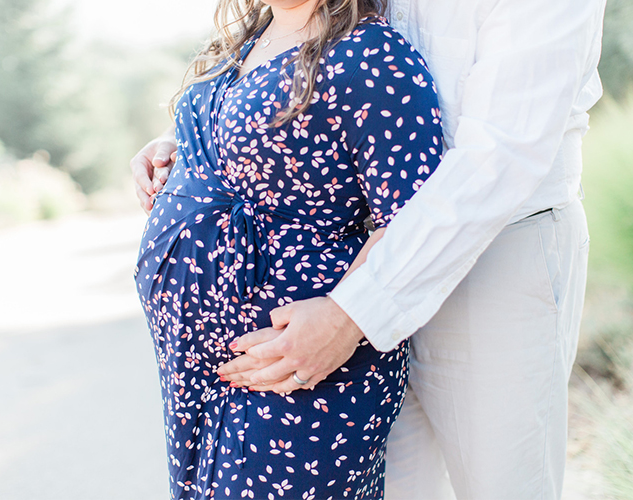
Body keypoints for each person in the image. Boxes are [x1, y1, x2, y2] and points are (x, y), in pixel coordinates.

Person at [133, 1, 607, 499]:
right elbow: (305, 35)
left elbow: (504, 152)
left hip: (495, 249)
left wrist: (353, 312)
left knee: (502, 486)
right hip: (356, 254)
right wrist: (197, 137)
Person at [133, 0, 443, 498]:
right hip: (195, 368)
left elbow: (417, 219)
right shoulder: (247, 42)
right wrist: (178, 153)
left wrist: (346, 316)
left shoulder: (373, 53)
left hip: (301, 363)